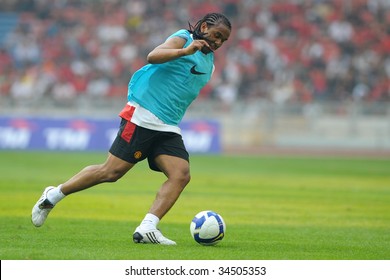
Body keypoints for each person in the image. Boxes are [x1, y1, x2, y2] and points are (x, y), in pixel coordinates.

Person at [31, 12, 232, 245]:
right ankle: (52, 195)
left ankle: (147, 227)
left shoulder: (210, 64)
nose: (218, 42)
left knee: (181, 174)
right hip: (142, 116)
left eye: (223, 40)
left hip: (167, 125)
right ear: (205, 27)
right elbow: (153, 56)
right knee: (111, 172)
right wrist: (185, 52)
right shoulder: (183, 39)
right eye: (217, 35)